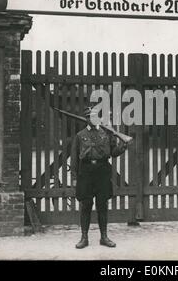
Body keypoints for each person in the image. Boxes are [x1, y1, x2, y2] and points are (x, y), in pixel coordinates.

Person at [71, 106, 128, 249]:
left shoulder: (107, 133)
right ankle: (84, 238)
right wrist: (74, 177)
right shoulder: (80, 135)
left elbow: (113, 152)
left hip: (102, 171)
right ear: (86, 119)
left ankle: (104, 237)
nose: (93, 119)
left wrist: (123, 146)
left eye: (95, 116)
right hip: (86, 171)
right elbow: (74, 158)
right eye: (90, 116)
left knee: (102, 204)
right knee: (86, 205)